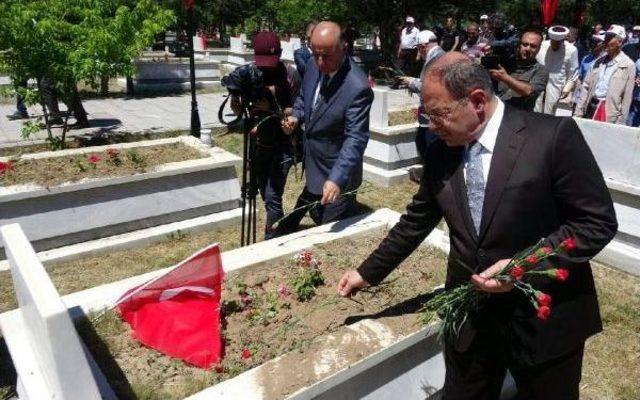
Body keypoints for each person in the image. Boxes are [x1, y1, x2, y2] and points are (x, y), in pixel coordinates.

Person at [338, 52, 617, 400]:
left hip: (543, 324)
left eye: (438, 114)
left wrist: (522, 266)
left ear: (478, 101)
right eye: (427, 115)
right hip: (472, 321)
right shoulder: (441, 151)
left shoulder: (552, 138)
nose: (431, 126)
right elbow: (416, 220)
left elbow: (596, 222)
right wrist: (367, 273)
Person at [280, 21, 373, 233]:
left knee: (327, 233)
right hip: (315, 162)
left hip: (337, 172)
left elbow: (355, 139)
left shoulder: (357, 88)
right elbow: (305, 96)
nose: (320, 62)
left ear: (344, 48)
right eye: (315, 54)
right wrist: (296, 116)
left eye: (326, 56)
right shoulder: (313, 65)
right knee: (309, 215)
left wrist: (337, 178)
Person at [228, 31, 301, 239]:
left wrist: (274, 108)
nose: (266, 66)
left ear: (279, 53)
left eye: (271, 60)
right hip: (258, 144)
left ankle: (271, 242)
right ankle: (280, 230)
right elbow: (238, 111)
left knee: (272, 196)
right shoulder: (250, 74)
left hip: (283, 145)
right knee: (263, 193)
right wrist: (237, 101)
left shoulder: (290, 75)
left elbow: (298, 108)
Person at [398, 30, 444, 168]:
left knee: (429, 144)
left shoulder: (436, 58)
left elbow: (431, 87)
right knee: (422, 140)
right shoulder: (436, 56)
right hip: (426, 110)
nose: (418, 53)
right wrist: (415, 80)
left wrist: (411, 83)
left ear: (423, 46)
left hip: (433, 110)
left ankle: (432, 176)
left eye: (418, 49)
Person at [575, 25, 636, 124]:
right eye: (606, 38)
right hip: (590, 108)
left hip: (609, 115)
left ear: (619, 42)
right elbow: (585, 86)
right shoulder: (598, 61)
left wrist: (620, 123)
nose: (606, 41)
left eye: (609, 38)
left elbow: (627, 98)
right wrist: (578, 111)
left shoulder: (628, 65)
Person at [490, 29, 549, 111]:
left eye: (533, 46)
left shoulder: (541, 70)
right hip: (494, 112)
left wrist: (505, 78)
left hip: (519, 117)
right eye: (525, 44)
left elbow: (528, 91)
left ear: (539, 49)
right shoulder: (503, 64)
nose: (528, 49)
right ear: (519, 45)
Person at [535, 25, 580, 114]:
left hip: (557, 86)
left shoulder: (571, 50)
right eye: (553, 42)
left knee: (551, 112)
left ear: (563, 40)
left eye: (558, 42)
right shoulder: (543, 45)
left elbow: (573, 73)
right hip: (539, 83)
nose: (555, 45)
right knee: (536, 108)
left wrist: (567, 88)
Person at [627, 58, 640, 127]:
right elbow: (632, 75)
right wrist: (635, 79)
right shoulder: (638, 61)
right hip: (636, 97)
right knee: (631, 119)